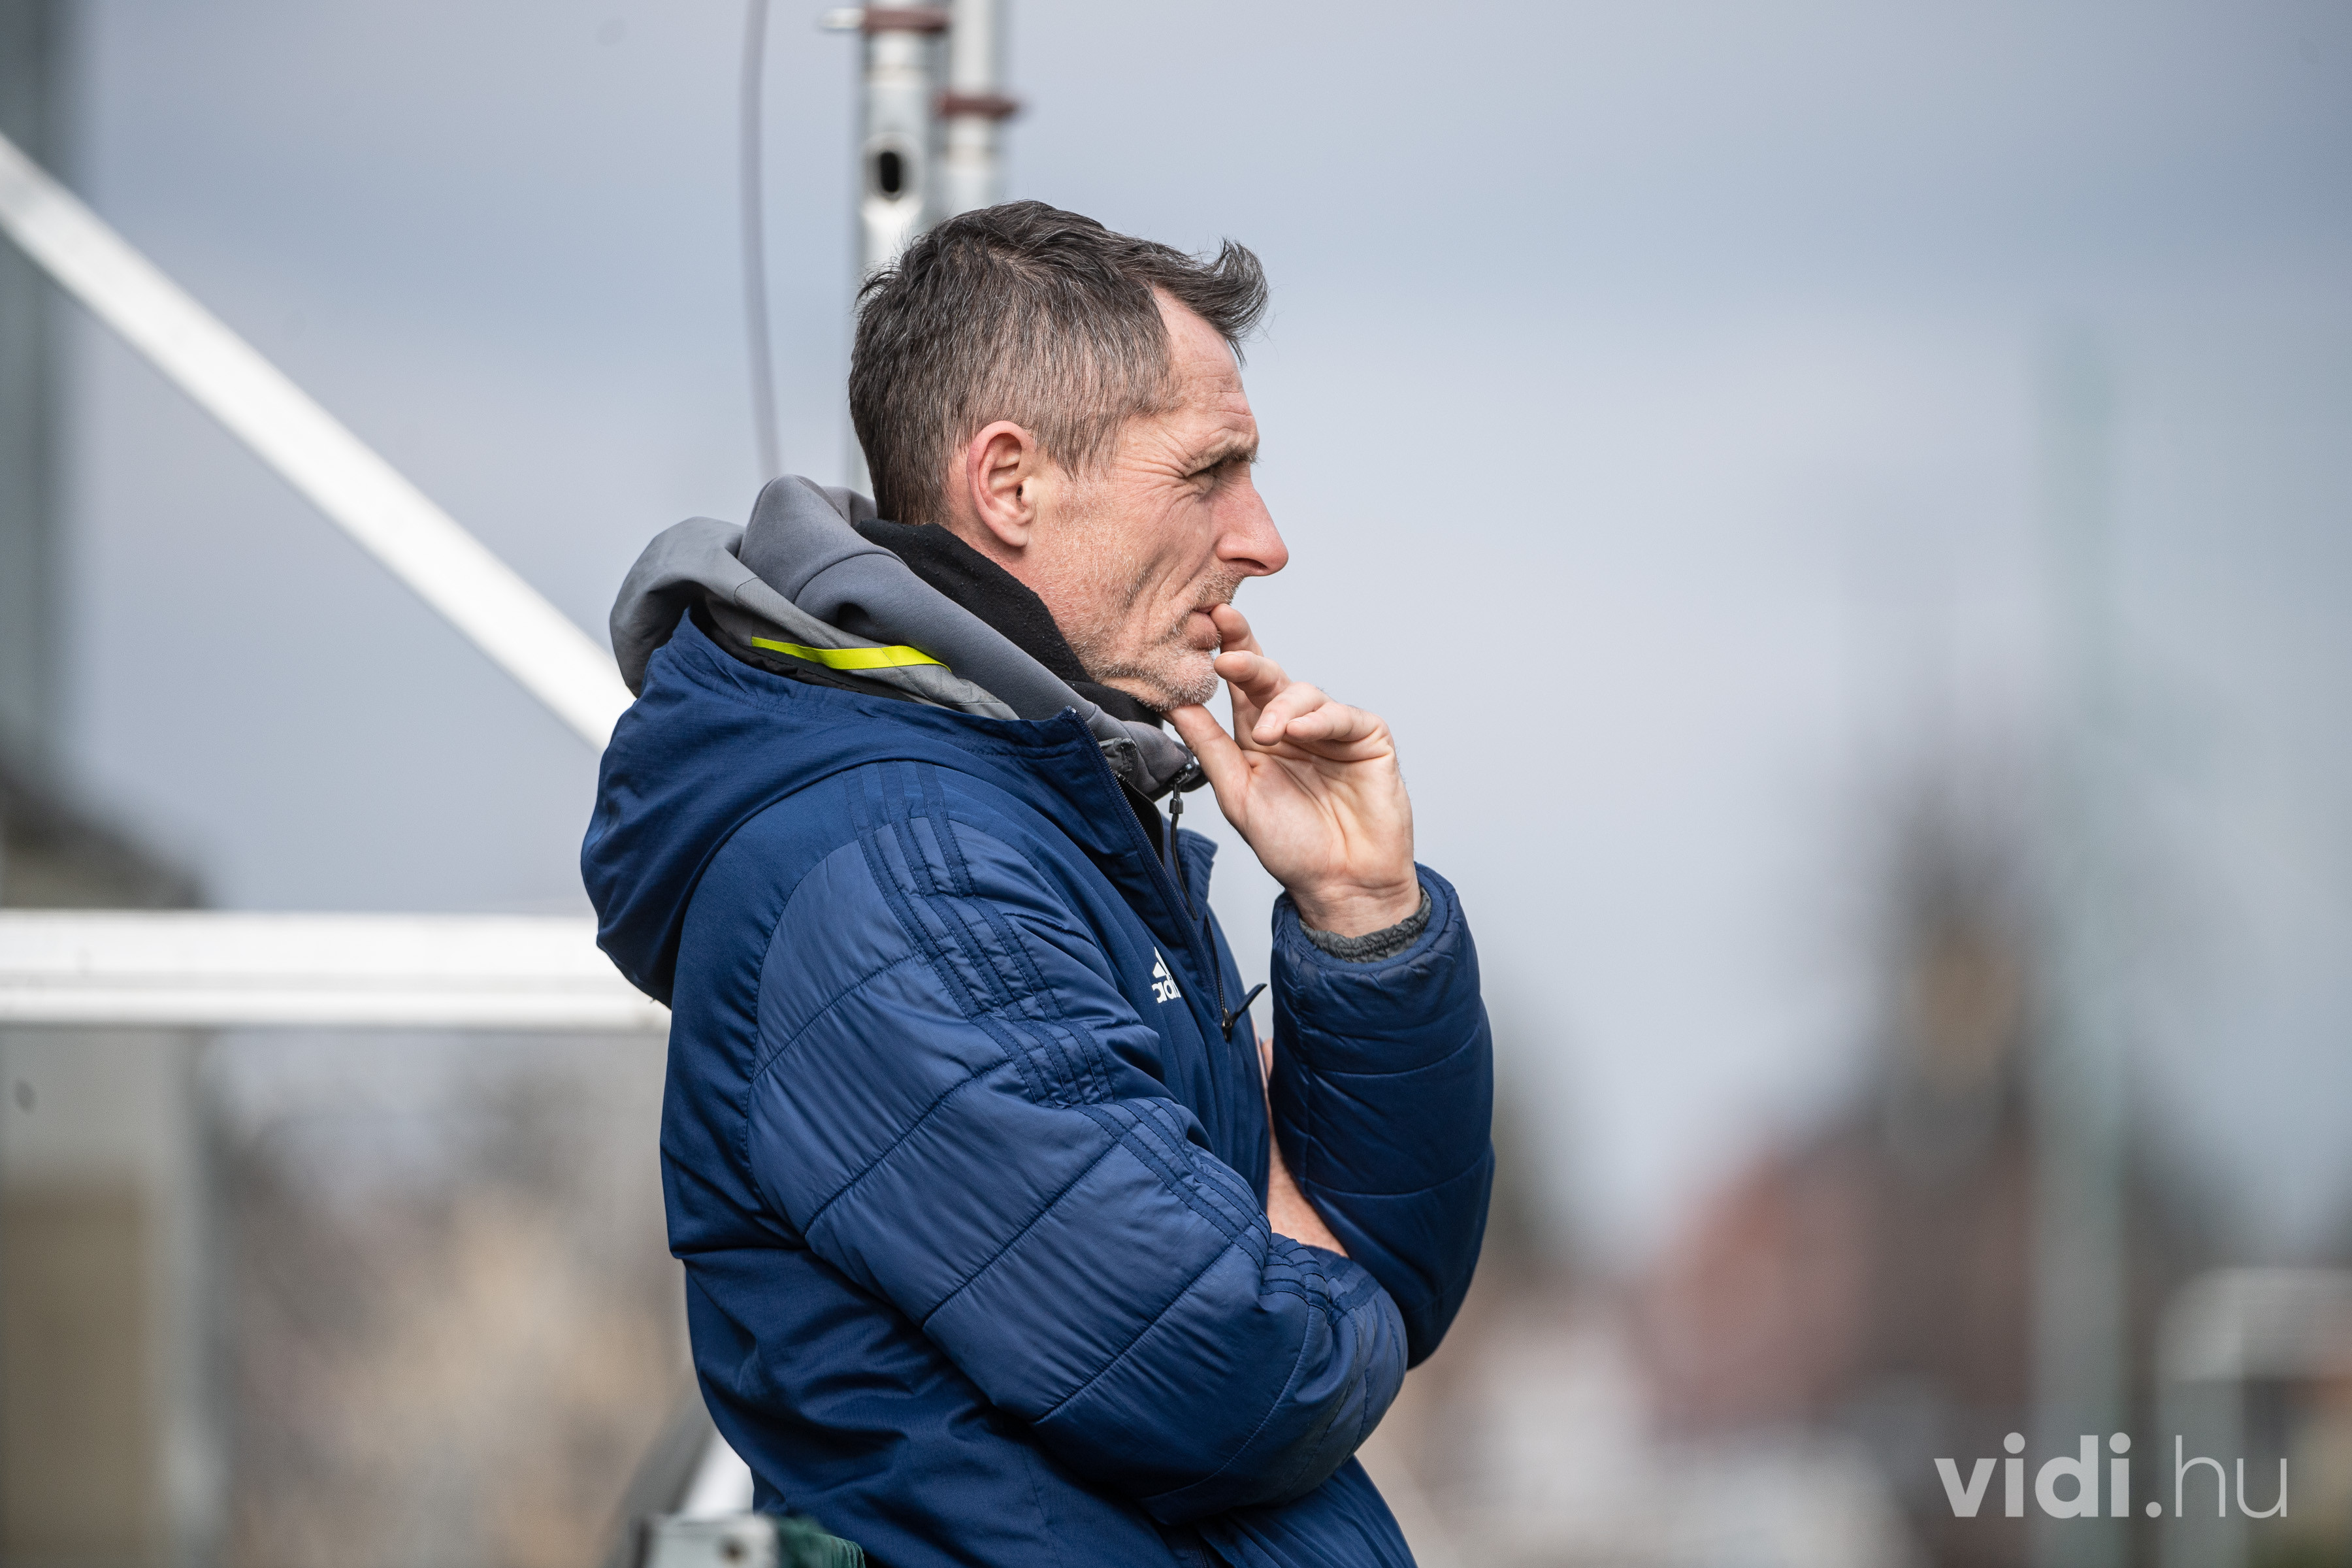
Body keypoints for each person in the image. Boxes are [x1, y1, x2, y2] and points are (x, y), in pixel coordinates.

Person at [584, 201, 1493, 1568]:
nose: (1263, 540)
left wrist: (1365, 922)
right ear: (1010, 485)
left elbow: (1384, 1281)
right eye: (1210, 473)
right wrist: (1309, 1270)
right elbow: (1239, 1375)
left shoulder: (1040, 815)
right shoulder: (904, 874)